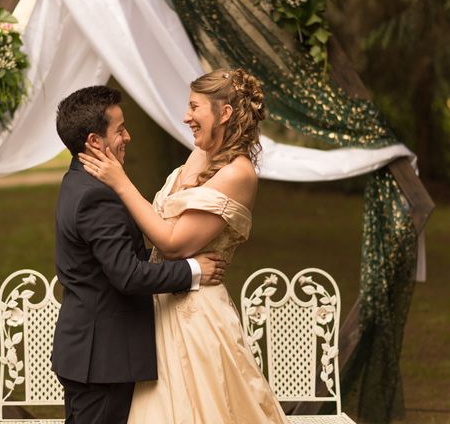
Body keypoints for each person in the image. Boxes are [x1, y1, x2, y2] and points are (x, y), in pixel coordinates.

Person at [78, 69, 289, 423]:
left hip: (197, 315)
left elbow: (173, 243)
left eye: (194, 107)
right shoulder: (200, 155)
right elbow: (157, 223)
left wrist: (120, 182)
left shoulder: (238, 173)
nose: (185, 116)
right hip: (160, 304)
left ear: (223, 114)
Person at [52, 85, 228, 424]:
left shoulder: (79, 182)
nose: (128, 137)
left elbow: (110, 258)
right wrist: (193, 271)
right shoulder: (95, 198)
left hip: (91, 354)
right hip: (102, 359)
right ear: (94, 141)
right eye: (120, 129)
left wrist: (167, 254)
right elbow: (127, 275)